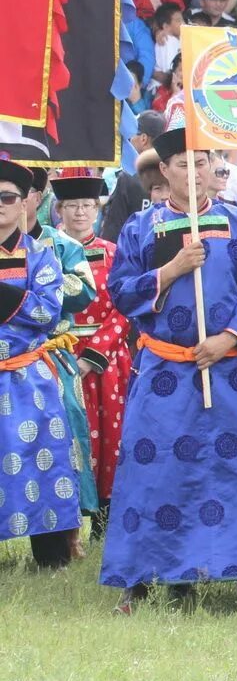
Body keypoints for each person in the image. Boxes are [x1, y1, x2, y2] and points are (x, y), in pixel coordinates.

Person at [101, 127, 237, 612]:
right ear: (164, 171)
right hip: (164, 371)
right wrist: (171, 270)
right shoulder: (142, 227)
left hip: (228, 371)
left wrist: (227, 339)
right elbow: (120, 292)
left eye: (204, 163)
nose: (197, 174)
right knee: (156, 472)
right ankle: (153, 580)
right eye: (185, 165)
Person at [0, 161, 76, 569]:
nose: (0, 205)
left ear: (26, 203)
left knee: (40, 459)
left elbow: (47, 311)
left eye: (7, 197)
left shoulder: (42, 256)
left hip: (25, 375)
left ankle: (51, 556)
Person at [51, 172, 134, 532]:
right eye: (72, 206)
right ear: (59, 210)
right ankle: (66, 518)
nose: (80, 213)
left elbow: (126, 307)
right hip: (60, 355)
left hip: (107, 359)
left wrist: (95, 353)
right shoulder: (47, 252)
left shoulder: (114, 253)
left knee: (110, 434)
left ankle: (106, 515)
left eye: (87, 205)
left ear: (98, 209)